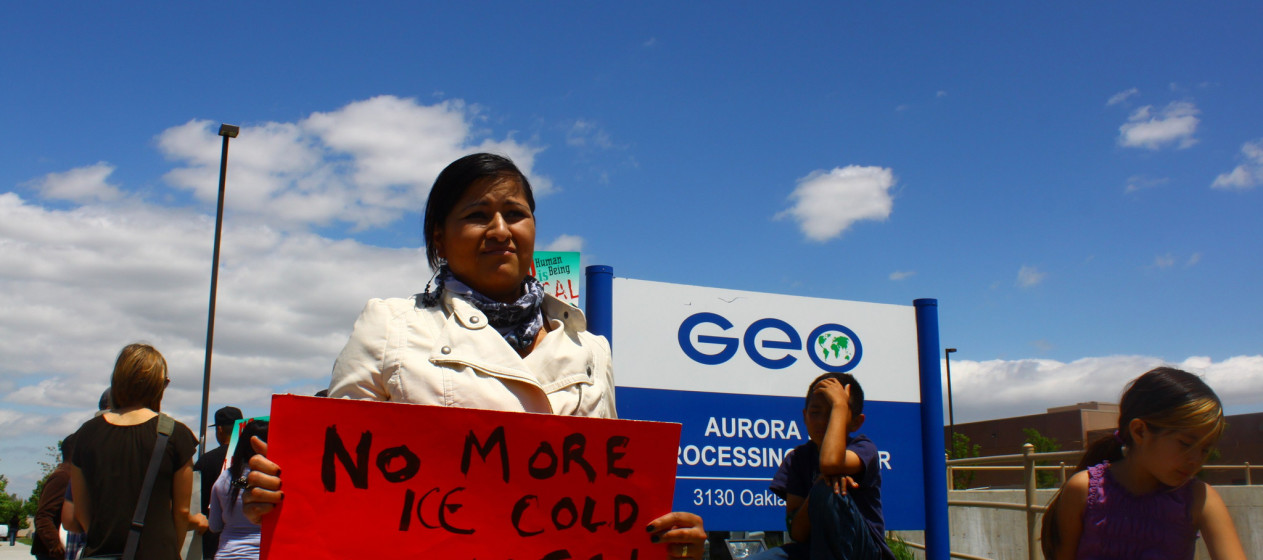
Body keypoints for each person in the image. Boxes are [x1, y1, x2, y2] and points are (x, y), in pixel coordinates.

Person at [243, 153, 706, 558]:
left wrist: (667, 538)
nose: (500, 230)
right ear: (439, 238)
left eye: (515, 213)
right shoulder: (389, 326)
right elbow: (335, 484)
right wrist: (278, 490)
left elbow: (606, 499)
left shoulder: (590, 347)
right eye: (477, 214)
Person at [1040, 367, 1246, 559]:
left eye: (1205, 450)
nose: (1196, 460)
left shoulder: (1200, 498)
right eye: (1185, 444)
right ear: (1139, 431)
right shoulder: (1084, 490)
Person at [69, 343, 199, 559]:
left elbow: (81, 510)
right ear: (159, 385)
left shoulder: (86, 434)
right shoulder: (176, 435)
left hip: (100, 553)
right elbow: (182, 512)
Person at [750, 373, 894, 560]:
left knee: (829, 489)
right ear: (804, 415)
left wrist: (840, 404)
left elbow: (830, 462)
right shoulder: (797, 459)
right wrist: (814, 496)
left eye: (833, 412)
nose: (821, 421)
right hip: (812, 550)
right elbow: (797, 533)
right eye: (815, 412)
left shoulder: (864, 448)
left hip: (862, 551)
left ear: (856, 422)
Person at [209, 420, 267, 560]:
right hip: (263, 553)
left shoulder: (225, 479)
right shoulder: (276, 480)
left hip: (227, 554)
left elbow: (214, 526)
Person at [195, 406, 243, 559]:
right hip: (250, 543)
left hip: (213, 541)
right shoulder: (255, 459)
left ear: (220, 430)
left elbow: (197, 502)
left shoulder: (206, 461)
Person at [31, 434, 77, 560]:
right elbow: (43, 516)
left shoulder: (72, 476)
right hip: (50, 553)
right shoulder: (62, 477)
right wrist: (55, 545)